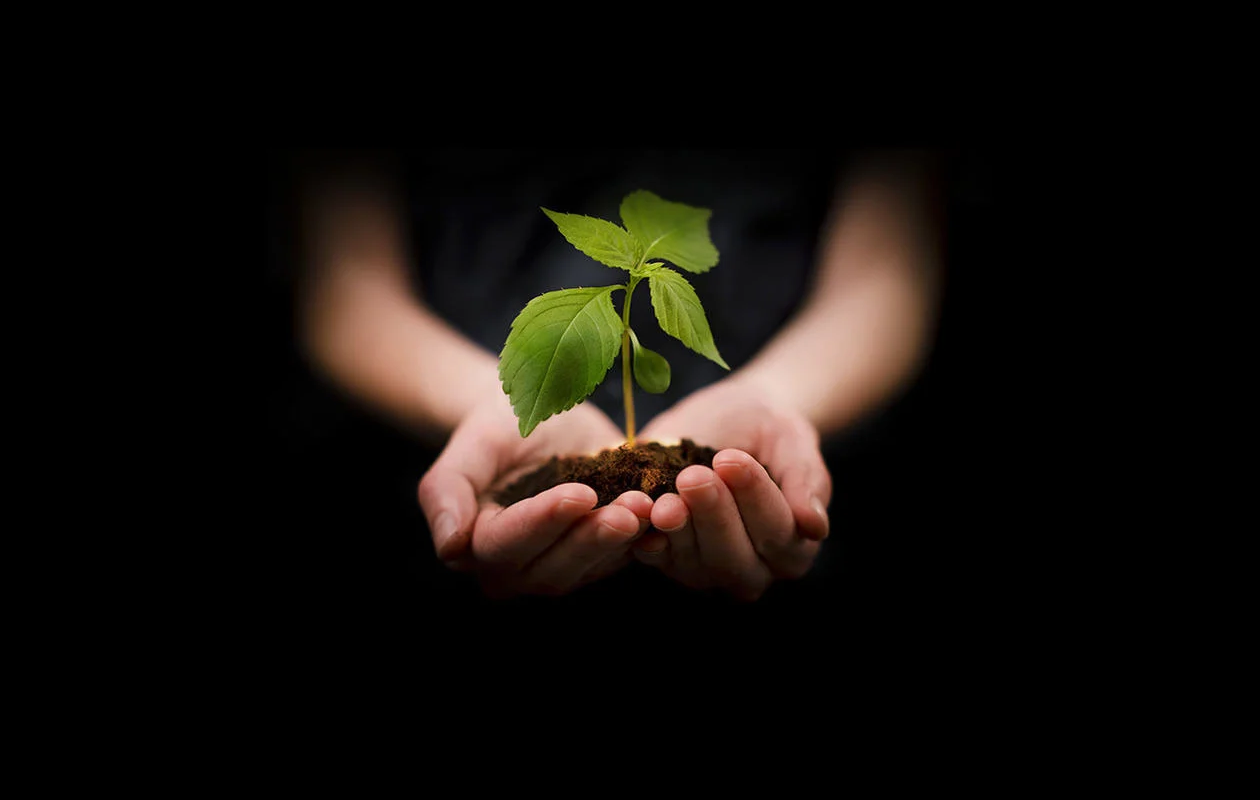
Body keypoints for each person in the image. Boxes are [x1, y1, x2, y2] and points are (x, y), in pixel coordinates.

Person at [293, 148, 942, 602]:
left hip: (806, 474)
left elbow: (888, 270)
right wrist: (489, 401)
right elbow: (343, 285)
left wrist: (773, 397)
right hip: (419, 484)